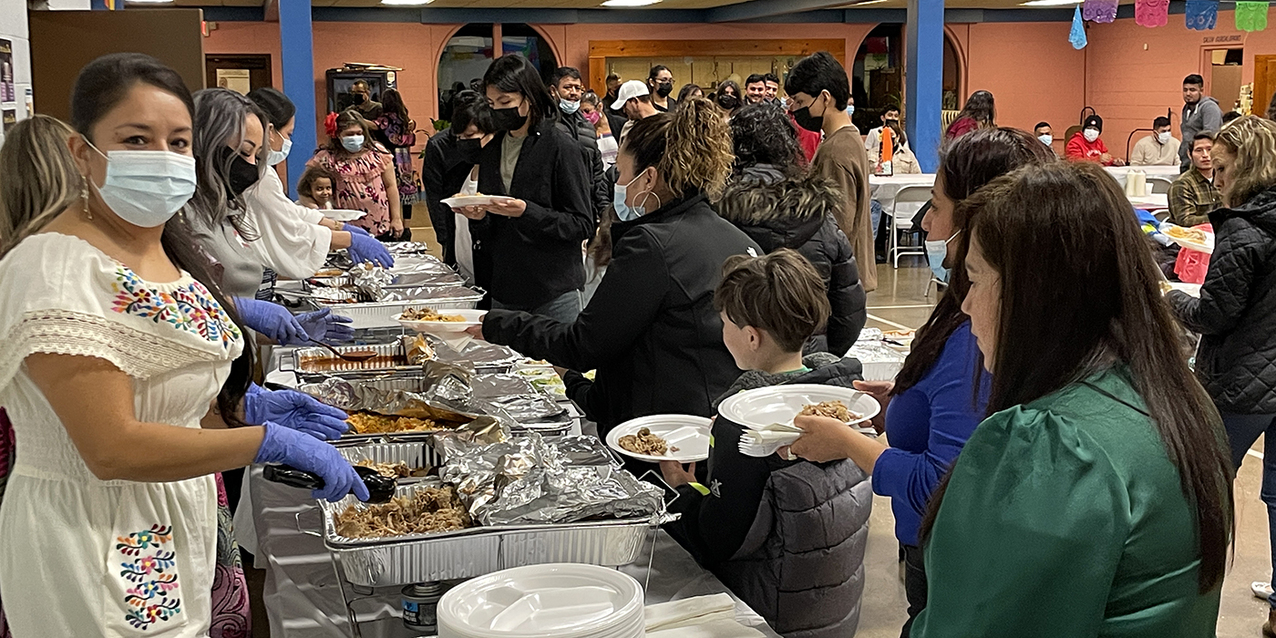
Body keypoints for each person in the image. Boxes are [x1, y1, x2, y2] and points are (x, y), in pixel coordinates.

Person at [0, 52, 366, 638]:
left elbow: (166, 391)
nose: (163, 159)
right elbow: (111, 446)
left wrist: (238, 410)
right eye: (136, 139)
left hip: (178, 516)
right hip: (100, 530)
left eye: (176, 142)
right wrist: (264, 441)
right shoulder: (57, 268)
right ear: (81, 152)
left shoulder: (157, 247)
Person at [898, 160, 1234, 636]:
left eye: (974, 280)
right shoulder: (1180, 400)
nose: (966, 304)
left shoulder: (1048, 446)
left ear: (1032, 295)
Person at [787, 127, 1055, 637]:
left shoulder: (977, 334)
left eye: (936, 206)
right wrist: (904, 400)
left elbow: (945, 484)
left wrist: (845, 442)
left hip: (945, 553)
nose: (925, 223)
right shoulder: (972, 316)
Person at [473, 98, 760, 438]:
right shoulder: (735, 236)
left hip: (661, 432)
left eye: (622, 173)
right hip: (715, 416)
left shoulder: (652, 245)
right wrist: (580, 387)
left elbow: (584, 344)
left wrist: (492, 323)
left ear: (648, 178)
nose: (617, 184)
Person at [659, 249, 872, 637]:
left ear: (751, 336)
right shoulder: (841, 393)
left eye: (724, 323)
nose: (721, 331)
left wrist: (681, 490)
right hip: (833, 607)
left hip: (769, 614)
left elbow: (717, 540)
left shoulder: (745, 425)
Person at [1167, 115, 1276, 636]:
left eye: (1226, 169)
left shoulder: (1244, 229)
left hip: (1242, 381)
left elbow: (1215, 313)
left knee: (1202, 486)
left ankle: (1186, 600)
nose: (1217, 179)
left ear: (1248, 169)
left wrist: (1169, 298)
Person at [716, 103, 866, 356]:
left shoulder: (716, 216)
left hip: (733, 364)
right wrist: (818, 354)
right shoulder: (821, 217)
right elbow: (849, 311)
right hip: (804, 362)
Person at [453, 54, 593, 321]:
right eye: (492, 103)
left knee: (558, 362)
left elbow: (582, 224)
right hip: (506, 289)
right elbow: (490, 228)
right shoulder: (492, 151)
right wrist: (479, 217)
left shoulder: (561, 147)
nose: (498, 111)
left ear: (528, 96)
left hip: (553, 289)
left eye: (505, 102)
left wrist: (527, 212)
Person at [243, 87, 394, 280]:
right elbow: (290, 229)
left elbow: (288, 211)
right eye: (288, 134)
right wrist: (347, 238)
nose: (288, 141)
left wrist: (336, 226)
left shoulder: (262, 170)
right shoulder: (257, 174)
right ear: (270, 131)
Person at [785, 51, 877, 292]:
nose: (796, 109)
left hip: (837, 282)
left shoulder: (836, 151)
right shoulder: (849, 138)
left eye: (801, 102)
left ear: (825, 98)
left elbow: (836, 228)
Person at [308, 109, 404, 240]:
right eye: (349, 134)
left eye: (359, 133)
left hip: (380, 226)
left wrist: (396, 219)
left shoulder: (378, 154)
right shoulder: (326, 158)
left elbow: (391, 186)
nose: (355, 137)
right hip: (344, 229)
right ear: (338, 135)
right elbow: (307, 187)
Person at [422, 89, 491, 268]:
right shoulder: (439, 145)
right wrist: (444, 236)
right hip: (452, 220)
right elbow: (434, 194)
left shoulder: (494, 151)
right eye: (460, 135)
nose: (464, 141)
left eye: (469, 134)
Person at [550, 67, 609, 223]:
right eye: (568, 87)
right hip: (557, 210)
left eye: (578, 88)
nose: (574, 92)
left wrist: (603, 210)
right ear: (553, 91)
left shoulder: (588, 126)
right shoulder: (545, 125)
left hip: (587, 208)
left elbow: (597, 172)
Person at [372, 88, 420, 215]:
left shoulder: (385, 119)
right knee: (406, 192)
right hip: (405, 159)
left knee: (391, 189)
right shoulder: (405, 118)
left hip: (390, 157)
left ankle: (394, 219)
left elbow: (373, 125)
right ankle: (407, 226)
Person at [1168, 132, 1223, 227]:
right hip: (1192, 237)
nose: (1205, 155)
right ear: (1190, 154)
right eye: (1199, 150)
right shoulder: (1182, 184)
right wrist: (1221, 216)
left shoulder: (1225, 179)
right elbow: (1185, 221)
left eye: (1210, 149)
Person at [1180, 74, 1223, 169]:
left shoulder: (1209, 108)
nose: (1188, 94)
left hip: (1203, 163)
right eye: (1185, 90)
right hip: (1187, 161)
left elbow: (1210, 136)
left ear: (1201, 90)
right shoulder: (1186, 109)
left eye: (1192, 90)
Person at [581, 91, 618, 170]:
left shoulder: (618, 123)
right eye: (581, 112)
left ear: (599, 107)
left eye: (587, 111)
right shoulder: (583, 130)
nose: (584, 115)